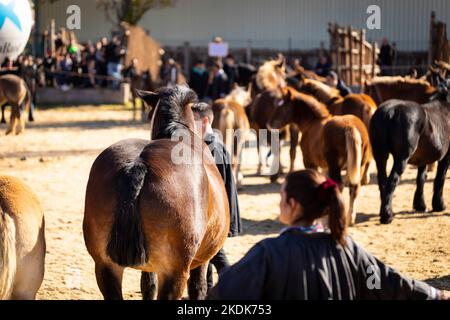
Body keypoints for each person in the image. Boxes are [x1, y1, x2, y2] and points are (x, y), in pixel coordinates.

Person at [209, 170, 449, 300]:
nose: (279, 202)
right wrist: (435, 294)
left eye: (281, 197)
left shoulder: (268, 254)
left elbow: (224, 295)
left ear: (293, 205)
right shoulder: (347, 248)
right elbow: (391, 284)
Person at [191, 102, 242, 290]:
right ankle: (209, 289)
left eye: (193, 120)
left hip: (214, 216)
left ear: (204, 121)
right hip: (207, 215)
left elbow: (216, 190)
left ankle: (234, 287)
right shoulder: (203, 144)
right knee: (208, 257)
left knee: (217, 256)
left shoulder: (215, 148)